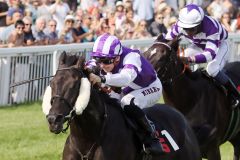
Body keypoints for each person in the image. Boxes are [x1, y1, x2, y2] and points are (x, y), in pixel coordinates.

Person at [88, 33, 164, 155]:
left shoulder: (131, 57)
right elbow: (90, 66)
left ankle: (151, 136)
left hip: (150, 87)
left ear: (117, 58)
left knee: (127, 102)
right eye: (98, 60)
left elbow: (126, 78)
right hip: (128, 88)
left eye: (106, 61)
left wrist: (101, 79)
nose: (101, 65)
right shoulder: (105, 56)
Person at [165, 4, 240, 108]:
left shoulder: (211, 27)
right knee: (184, 55)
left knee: (212, 69)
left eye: (192, 29)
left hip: (220, 46)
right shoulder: (180, 25)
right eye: (186, 28)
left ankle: (235, 95)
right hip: (198, 45)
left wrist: (189, 59)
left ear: (199, 23)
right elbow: (167, 40)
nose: (188, 32)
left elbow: (210, 54)